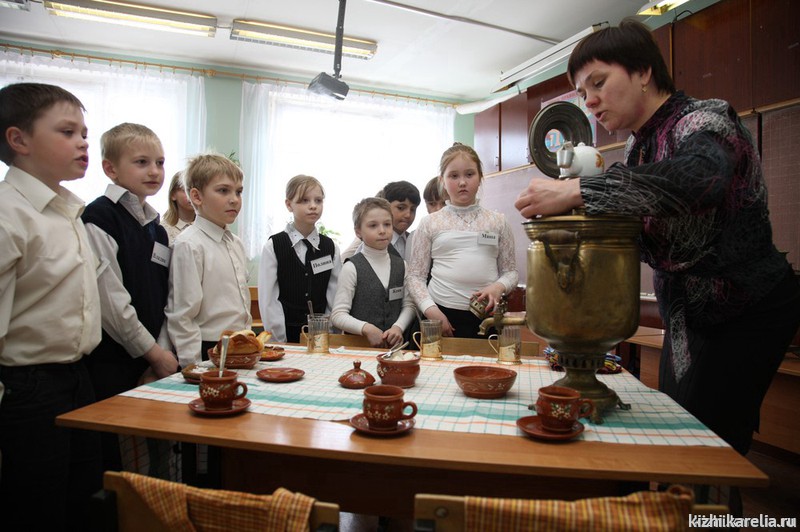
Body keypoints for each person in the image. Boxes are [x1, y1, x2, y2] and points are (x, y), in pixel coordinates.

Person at [514, 18, 800, 460]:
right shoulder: (638, 148)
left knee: (707, 446)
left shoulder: (703, 120)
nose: (590, 101)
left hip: (745, 309)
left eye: (598, 83)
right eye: (583, 93)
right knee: (676, 431)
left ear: (644, 71)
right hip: (686, 315)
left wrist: (578, 191)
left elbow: (699, 179)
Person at [0, 82, 103, 531]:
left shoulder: (67, 211)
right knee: (36, 505)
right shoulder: (9, 213)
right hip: (28, 386)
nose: (83, 143)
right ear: (18, 139)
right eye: (67, 132)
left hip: (77, 376)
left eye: (84, 133)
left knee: (83, 497)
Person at [81, 122, 178, 473]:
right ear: (111, 168)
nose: (154, 171)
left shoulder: (157, 229)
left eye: (160, 162)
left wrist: (160, 353)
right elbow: (110, 300)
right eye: (141, 162)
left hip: (154, 361)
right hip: (115, 361)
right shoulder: (100, 217)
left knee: (158, 452)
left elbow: (166, 297)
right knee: (121, 460)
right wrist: (153, 353)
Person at [408, 143, 518, 338]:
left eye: (469, 174)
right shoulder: (430, 223)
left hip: (486, 315)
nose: (462, 182)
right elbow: (415, 277)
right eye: (454, 176)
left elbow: (510, 272)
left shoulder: (498, 222)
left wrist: (498, 287)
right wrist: (431, 311)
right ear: (442, 181)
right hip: (440, 314)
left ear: (480, 177)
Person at [165, 154, 251, 369]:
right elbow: (182, 315)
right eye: (223, 191)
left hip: (241, 344)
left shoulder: (236, 244)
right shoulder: (189, 244)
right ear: (196, 196)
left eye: (238, 191)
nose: (234, 199)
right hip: (207, 350)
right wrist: (192, 366)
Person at [258, 174, 341, 343]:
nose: (313, 206)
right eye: (304, 200)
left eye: (318, 201)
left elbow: (334, 296)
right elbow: (269, 299)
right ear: (289, 205)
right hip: (285, 336)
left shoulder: (330, 247)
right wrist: (279, 340)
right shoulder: (274, 246)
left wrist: (328, 334)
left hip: (321, 336)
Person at [331, 197, 417, 347]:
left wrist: (398, 327)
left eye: (387, 224)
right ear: (358, 232)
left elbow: (409, 305)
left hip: (395, 350)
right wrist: (366, 328)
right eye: (373, 225)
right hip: (359, 349)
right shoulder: (351, 267)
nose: (382, 230)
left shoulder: (402, 265)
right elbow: (338, 315)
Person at [341, 180, 421, 261]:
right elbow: (343, 262)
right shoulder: (367, 241)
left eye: (413, 209)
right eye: (401, 208)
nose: (408, 215)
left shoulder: (414, 240)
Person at [161, 170, 195, 244]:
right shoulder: (163, 230)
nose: (192, 195)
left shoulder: (208, 225)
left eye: (196, 190)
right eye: (186, 190)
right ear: (173, 195)